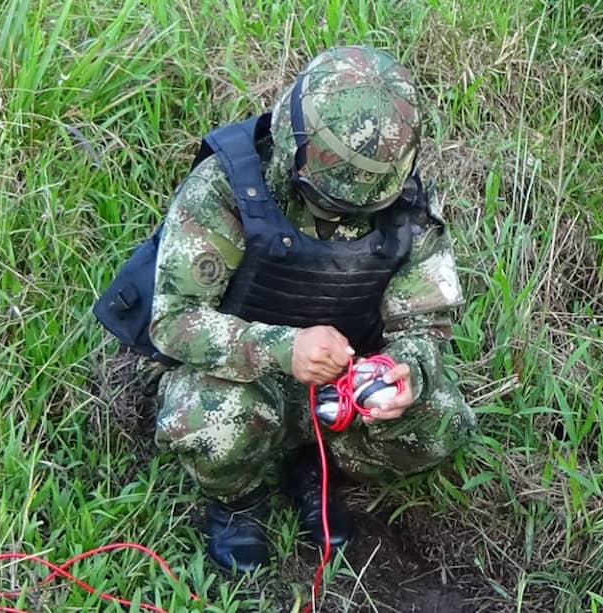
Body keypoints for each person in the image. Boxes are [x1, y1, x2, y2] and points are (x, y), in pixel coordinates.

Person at [102, 45, 475, 573]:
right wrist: (283, 349)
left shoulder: (407, 209)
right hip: (237, 377)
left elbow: (425, 323)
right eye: (328, 202)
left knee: (441, 423)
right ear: (292, 143)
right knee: (212, 422)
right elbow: (174, 320)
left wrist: (404, 370)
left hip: (345, 384)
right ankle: (238, 503)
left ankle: (319, 470)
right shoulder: (227, 189)